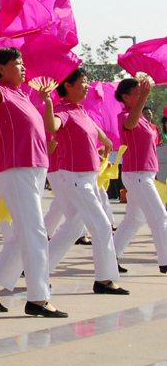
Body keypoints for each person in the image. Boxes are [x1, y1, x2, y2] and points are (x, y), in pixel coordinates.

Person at [0, 43, 67, 317]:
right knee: (35, 232)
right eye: (18, 63)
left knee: (23, 233)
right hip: (16, 169)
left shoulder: (23, 95)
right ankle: (38, 298)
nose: (24, 67)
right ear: (2, 69)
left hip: (34, 168)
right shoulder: (0, 93)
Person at [43, 67, 125, 294]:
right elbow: (52, 126)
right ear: (68, 85)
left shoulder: (81, 111)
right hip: (76, 178)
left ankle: (38, 270)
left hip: (87, 177)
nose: (87, 86)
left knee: (72, 228)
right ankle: (104, 280)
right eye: (83, 81)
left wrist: (106, 144)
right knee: (101, 225)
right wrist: (48, 102)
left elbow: (98, 133)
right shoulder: (63, 110)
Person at [114, 82, 167, 269]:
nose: (142, 94)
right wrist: (144, 96)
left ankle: (111, 256)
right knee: (159, 216)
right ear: (125, 97)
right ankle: (165, 261)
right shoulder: (125, 115)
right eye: (137, 93)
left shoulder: (143, 118)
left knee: (135, 218)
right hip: (138, 174)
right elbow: (130, 124)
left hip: (144, 173)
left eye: (142, 92)